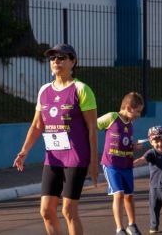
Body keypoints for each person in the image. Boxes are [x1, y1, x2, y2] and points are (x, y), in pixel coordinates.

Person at [13, 43, 98, 235]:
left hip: (76, 158)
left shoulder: (81, 90)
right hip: (53, 158)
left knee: (68, 210)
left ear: (73, 61)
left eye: (61, 57)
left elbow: (92, 128)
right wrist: (24, 151)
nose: (56, 61)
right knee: (46, 211)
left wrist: (93, 163)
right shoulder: (44, 91)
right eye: (52, 58)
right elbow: (36, 125)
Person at [97, 92, 144, 235]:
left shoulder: (130, 124)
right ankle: (119, 229)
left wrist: (133, 146)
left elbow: (125, 142)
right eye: (137, 111)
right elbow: (92, 124)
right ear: (129, 108)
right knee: (118, 194)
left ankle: (132, 225)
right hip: (111, 164)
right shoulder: (112, 117)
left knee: (129, 196)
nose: (139, 115)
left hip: (126, 165)